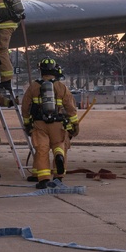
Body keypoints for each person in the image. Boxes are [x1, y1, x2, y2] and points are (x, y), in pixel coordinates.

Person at [21, 57, 79, 189]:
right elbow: (70, 107)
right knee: (59, 146)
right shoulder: (61, 87)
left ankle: (43, 180)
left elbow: (25, 107)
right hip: (58, 124)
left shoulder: (34, 86)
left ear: (41, 70)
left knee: (42, 150)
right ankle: (59, 175)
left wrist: (27, 123)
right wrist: (74, 124)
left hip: (39, 124)